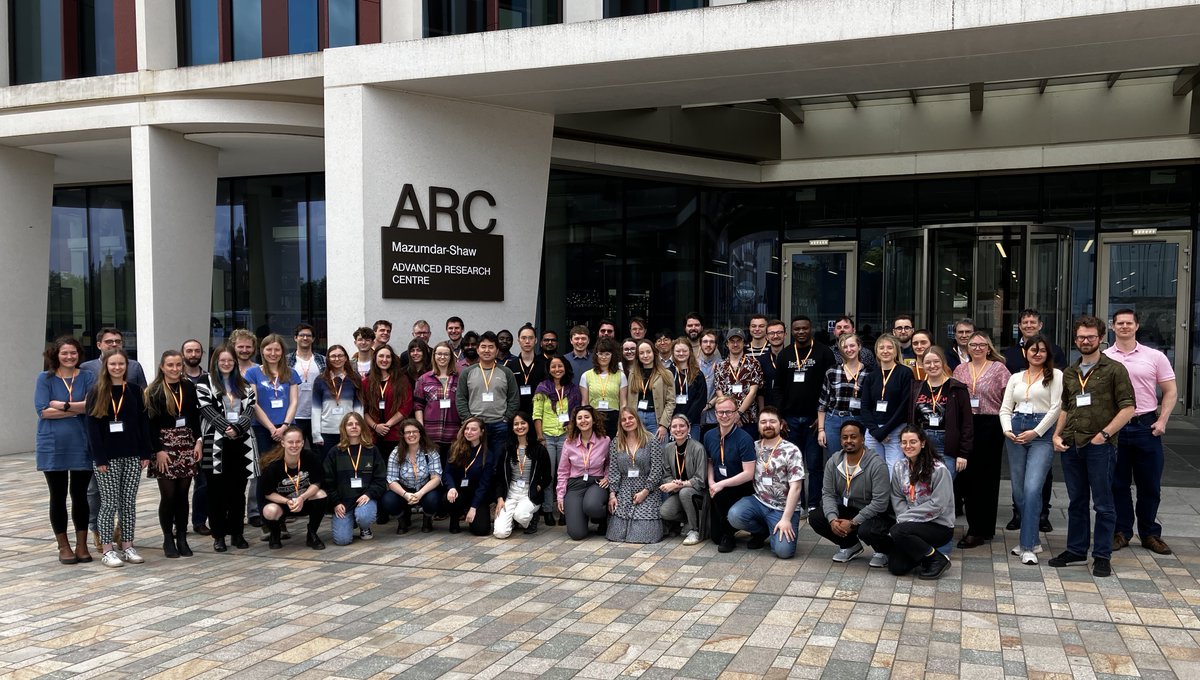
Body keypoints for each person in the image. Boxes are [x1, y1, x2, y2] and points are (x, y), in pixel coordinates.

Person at [1050, 315, 1136, 578]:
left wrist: (1105, 434)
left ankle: (1101, 555)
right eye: (1080, 337)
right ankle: (1076, 550)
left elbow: (1129, 407)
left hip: (1100, 445)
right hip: (1072, 444)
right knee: (1076, 501)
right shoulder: (1070, 371)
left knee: (1103, 503)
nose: (1085, 341)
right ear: (1075, 340)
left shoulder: (1114, 369)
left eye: (1090, 337)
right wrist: (1057, 435)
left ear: (1100, 338)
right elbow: (1067, 406)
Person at [1104, 309, 1177, 555]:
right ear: (1113, 327)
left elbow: (1170, 391)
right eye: (1119, 323)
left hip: (1147, 427)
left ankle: (1150, 534)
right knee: (1117, 484)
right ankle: (1122, 531)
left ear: (1136, 326)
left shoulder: (1154, 357)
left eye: (1129, 323)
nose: (1124, 326)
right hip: (1116, 428)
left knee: (1150, 485)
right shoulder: (1103, 358)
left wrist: (1163, 420)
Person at [79, 327, 147, 550]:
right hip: (107, 457)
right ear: (105, 367)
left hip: (132, 455)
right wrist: (99, 458)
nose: (117, 367)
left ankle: (128, 545)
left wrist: (146, 452)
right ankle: (107, 548)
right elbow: (93, 428)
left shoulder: (135, 391)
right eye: (113, 364)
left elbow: (143, 423)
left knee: (128, 503)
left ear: (127, 367)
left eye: (121, 364)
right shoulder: (97, 391)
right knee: (108, 504)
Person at [999, 335, 1062, 564]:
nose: (1037, 354)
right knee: (1019, 492)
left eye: (1042, 350)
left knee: (1033, 487)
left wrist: (1036, 432)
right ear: (1025, 352)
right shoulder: (1016, 377)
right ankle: (1033, 539)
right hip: (1015, 430)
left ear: (1048, 354)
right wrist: (1007, 429)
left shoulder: (1055, 376)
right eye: (1033, 350)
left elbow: (1056, 408)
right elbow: (1006, 408)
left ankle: (1027, 547)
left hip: (1041, 433)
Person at [1002, 308, 1067, 532]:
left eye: (1033, 322)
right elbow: (1007, 399)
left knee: (1040, 474)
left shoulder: (1054, 351)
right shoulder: (1010, 354)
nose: (1029, 325)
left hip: (1042, 424)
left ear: (1040, 325)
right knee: (1018, 476)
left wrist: (1039, 431)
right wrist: (1007, 426)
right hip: (1018, 420)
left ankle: (1042, 514)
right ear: (1020, 326)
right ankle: (1019, 513)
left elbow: (1058, 399)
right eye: (1025, 322)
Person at [36, 336, 97, 564]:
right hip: (52, 446)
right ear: (56, 355)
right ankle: (64, 546)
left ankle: (82, 545)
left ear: (78, 354)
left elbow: (92, 406)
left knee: (80, 495)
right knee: (58, 495)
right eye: (65, 353)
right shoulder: (45, 379)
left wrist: (62, 405)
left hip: (82, 444)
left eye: (73, 353)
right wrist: (77, 409)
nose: (70, 357)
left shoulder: (88, 376)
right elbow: (43, 411)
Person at [951, 331, 1011, 549]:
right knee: (968, 478)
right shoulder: (960, 370)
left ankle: (984, 529)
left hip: (991, 425)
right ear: (967, 348)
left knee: (988, 478)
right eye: (973, 344)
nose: (977, 348)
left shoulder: (999, 369)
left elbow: (1008, 399)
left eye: (981, 344)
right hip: (967, 424)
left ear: (988, 347)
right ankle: (976, 527)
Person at [196, 344, 257, 552]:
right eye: (222, 360)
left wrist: (238, 428)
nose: (226, 364)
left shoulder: (245, 384)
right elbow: (206, 409)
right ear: (215, 361)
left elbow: (250, 409)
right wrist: (226, 427)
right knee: (216, 493)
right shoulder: (205, 383)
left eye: (230, 360)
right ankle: (219, 535)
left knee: (238, 493)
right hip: (215, 445)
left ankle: (237, 534)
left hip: (241, 445)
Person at [809, 420, 894, 564]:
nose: (849, 441)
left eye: (853, 437)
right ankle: (850, 546)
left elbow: (880, 503)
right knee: (816, 517)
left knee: (866, 530)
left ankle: (884, 550)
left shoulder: (877, 465)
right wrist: (833, 519)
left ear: (862, 439)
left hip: (878, 514)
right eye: (845, 437)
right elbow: (828, 494)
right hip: (852, 509)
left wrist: (853, 523)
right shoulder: (834, 461)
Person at [146, 350, 204, 558]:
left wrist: (198, 441)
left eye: (178, 365)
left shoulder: (188, 386)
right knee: (169, 496)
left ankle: (182, 536)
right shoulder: (153, 391)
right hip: (165, 446)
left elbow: (194, 417)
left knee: (183, 494)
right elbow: (150, 425)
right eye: (170, 365)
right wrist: (158, 450)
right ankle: (167, 538)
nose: (175, 369)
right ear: (162, 367)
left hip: (187, 444)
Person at [776, 316, 836, 512]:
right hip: (790, 419)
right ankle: (798, 503)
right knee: (794, 465)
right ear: (791, 331)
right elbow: (778, 389)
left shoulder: (823, 352)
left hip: (813, 419)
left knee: (815, 465)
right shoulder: (785, 355)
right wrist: (781, 417)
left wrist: (821, 418)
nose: (801, 332)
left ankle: (813, 504)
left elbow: (831, 386)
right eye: (797, 329)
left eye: (804, 328)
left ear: (811, 329)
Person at [727, 408, 805, 558]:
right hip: (759, 502)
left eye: (772, 421)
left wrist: (786, 519)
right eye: (763, 422)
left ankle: (775, 527)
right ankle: (762, 530)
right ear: (758, 426)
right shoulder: (753, 447)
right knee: (734, 515)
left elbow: (796, 488)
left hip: (783, 508)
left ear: (781, 425)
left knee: (784, 552)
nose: (768, 425)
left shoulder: (791, 450)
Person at [245, 334, 301, 530]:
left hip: (287, 429)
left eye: (277, 350)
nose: (273, 353)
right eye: (269, 349)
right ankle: (265, 520)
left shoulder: (291, 373)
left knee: (283, 473)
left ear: (282, 352)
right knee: (264, 474)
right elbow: (254, 403)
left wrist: (284, 426)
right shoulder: (253, 373)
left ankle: (281, 518)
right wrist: (271, 427)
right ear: (262, 351)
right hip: (262, 429)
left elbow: (294, 401)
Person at [910, 347, 973, 513]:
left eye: (936, 361)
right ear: (922, 365)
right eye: (928, 362)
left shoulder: (957, 388)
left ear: (943, 363)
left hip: (948, 444)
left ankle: (942, 532)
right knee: (923, 489)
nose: (932, 365)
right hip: (923, 443)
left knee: (941, 491)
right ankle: (925, 529)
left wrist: (963, 453)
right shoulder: (917, 387)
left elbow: (967, 423)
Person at [888, 427, 954, 579]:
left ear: (922, 443)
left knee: (898, 531)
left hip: (938, 525)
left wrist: (905, 520)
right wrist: (904, 518)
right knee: (897, 567)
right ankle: (924, 556)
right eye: (904, 442)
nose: (908, 446)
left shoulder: (938, 469)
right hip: (909, 524)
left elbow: (938, 504)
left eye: (913, 442)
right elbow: (897, 497)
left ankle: (937, 559)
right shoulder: (899, 467)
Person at [456, 332, 520, 468]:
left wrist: (506, 418)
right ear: (478, 349)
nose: (487, 350)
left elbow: (514, 398)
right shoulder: (467, 372)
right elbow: (461, 398)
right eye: (483, 347)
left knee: (497, 465)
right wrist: (469, 419)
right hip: (475, 428)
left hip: (499, 426)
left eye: (491, 347)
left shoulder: (506, 372)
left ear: (497, 350)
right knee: (475, 464)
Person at [258, 427, 328, 550]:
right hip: (282, 503)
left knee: (321, 494)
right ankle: (275, 533)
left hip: (303, 500)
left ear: (302, 443)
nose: (294, 445)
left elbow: (317, 483)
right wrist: (287, 501)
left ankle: (312, 533)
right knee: (270, 511)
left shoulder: (310, 457)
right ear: (283, 443)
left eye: (298, 442)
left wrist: (302, 497)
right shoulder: (272, 465)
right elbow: (268, 493)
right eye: (290, 442)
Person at [603, 408, 666, 543]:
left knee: (643, 534)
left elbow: (656, 469)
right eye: (624, 419)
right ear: (620, 423)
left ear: (637, 419)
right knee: (616, 535)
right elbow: (613, 470)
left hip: (648, 489)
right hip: (625, 488)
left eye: (630, 418)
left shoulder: (651, 440)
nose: (628, 422)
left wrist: (645, 491)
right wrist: (612, 494)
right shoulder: (616, 442)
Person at [703, 396, 757, 552]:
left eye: (728, 412)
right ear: (715, 414)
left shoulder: (744, 438)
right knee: (715, 538)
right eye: (720, 412)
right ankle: (727, 530)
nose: (724, 416)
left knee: (722, 495)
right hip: (719, 484)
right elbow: (710, 462)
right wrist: (712, 482)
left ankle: (730, 534)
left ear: (735, 414)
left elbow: (749, 473)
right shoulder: (709, 436)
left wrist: (721, 484)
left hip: (741, 486)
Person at [324, 412, 387, 545]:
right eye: (350, 424)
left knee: (364, 516)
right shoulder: (335, 452)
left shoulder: (372, 450)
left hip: (364, 500)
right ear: (344, 428)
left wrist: (369, 494)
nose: (354, 427)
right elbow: (328, 481)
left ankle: (365, 527)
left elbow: (380, 479)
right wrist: (335, 502)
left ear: (362, 427)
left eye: (357, 424)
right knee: (342, 541)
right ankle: (350, 520)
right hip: (343, 502)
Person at [532, 355, 581, 527]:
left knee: (565, 475)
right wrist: (539, 436)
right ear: (549, 369)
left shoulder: (573, 389)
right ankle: (547, 510)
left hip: (566, 436)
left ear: (566, 368)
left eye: (560, 366)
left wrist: (572, 432)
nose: (557, 369)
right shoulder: (542, 388)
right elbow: (537, 414)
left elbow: (576, 414)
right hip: (546, 436)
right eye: (553, 367)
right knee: (549, 475)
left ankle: (564, 510)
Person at [858, 334, 913, 472]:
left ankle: (893, 495)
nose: (885, 351)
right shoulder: (871, 376)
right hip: (873, 431)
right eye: (881, 348)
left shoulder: (905, 373)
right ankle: (878, 495)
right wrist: (875, 431)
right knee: (873, 470)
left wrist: (885, 430)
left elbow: (904, 406)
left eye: (890, 347)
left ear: (896, 351)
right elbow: (864, 406)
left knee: (894, 470)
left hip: (896, 429)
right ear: (876, 351)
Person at [556, 405, 611, 540]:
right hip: (575, 485)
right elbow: (563, 471)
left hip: (597, 483)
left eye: (587, 417)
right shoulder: (569, 443)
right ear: (575, 422)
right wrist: (560, 495)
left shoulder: (605, 440)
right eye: (579, 418)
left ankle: (606, 517)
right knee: (577, 534)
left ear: (593, 420)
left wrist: (607, 476)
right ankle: (581, 516)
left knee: (592, 506)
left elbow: (610, 463)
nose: (583, 420)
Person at [493, 412, 552, 538]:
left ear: (529, 425)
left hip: (529, 491)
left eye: (523, 423)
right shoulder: (506, 449)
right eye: (516, 424)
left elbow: (548, 476)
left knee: (521, 515)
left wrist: (540, 486)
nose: (520, 426)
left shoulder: (539, 449)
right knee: (500, 533)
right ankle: (513, 520)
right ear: (512, 427)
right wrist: (499, 498)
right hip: (511, 491)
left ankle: (529, 517)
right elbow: (499, 477)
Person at [381, 419, 445, 533]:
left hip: (424, 489)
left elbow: (436, 478)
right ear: (403, 435)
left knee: (433, 499)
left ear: (420, 433)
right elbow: (391, 480)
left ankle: (427, 519)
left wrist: (420, 493)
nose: (411, 435)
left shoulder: (431, 451)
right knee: (388, 500)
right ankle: (402, 519)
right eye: (407, 432)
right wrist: (405, 495)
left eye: (415, 431)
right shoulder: (396, 453)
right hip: (404, 490)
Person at [817, 333, 870, 460]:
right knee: (835, 460)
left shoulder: (869, 373)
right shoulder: (832, 371)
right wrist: (821, 429)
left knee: (857, 459)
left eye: (852, 345)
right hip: (834, 420)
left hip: (858, 419)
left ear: (859, 347)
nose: (849, 349)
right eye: (845, 347)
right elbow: (823, 403)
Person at [443, 417, 498, 536]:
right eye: (466, 429)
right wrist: (451, 487)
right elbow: (447, 472)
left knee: (481, 530)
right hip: (459, 492)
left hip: (477, 494)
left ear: (481, 432)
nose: (469, 432)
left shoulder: (487, 454)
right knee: (448, 498)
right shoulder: (455, 448)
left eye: (473, 429)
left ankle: (471, 512)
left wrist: (473, 508)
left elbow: (484, 484)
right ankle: (455, 517)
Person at [658, 414, 708, 545]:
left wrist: (680, 485)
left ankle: (694, 530)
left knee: (684, 492)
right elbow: (666, 474)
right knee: (665, 512)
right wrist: (672, 483)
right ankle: (689, 520)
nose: (678, 429)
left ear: (689, 428)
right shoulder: (668, 448)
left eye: (682, 426)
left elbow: (700, 479)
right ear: (670, 429)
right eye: (674, 426)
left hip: (697, 492)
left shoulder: (698, 448)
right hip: (678, 491)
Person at [311, 345, 363, 457]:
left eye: (340, 355)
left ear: (345, 358)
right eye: (333, 356)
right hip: (326, 432)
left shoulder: (355, 379)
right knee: (327, 465)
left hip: (348, 431)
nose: (337, 359)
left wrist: (359, 430)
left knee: (347, 464)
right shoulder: (320, 380)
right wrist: (316, 433)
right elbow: (316, 409)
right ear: (328, 359)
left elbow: (358, 407)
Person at [414, 341, 461, 467]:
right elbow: (418, 406)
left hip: (453, 434)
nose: (442, 357)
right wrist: (421, 428)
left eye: (446, 354)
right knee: (432, 469)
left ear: (451, 357)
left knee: (450, 469)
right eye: (439, 354)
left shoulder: (459, 378)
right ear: (434, 356)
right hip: (431, 434)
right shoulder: (424, 379)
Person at [364, 344, 413, 460]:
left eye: (388, 357)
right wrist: (376, 426)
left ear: (393, 359)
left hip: (395, 433)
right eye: (381, 356)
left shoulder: (401, 380)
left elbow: (407, 406)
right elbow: (363, 408)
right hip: (373, 434)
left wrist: (387, 425)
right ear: (375, 358)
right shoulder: (366, 382)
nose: (384, 360)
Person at [711, 328, 763, 437]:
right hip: (726, 419)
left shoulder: (753, 364)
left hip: (748, 418)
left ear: (744, 343)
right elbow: (719, 393)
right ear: (727, 344)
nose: (735, 344)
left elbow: (753, 393)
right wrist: (731, 415)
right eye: (732, 341)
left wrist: (738, 414)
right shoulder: (720, 366)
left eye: (738, 341)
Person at [628, 339, 676, 441]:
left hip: (656, 419)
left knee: (659, 453)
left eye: (648, 352)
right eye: (641, 353)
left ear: (654, 353)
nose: (645, 356)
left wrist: (664, 425)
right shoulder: (632, 374)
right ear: (637, 356)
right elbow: (629, 400)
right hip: (637, 418)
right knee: (640, 453)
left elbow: (671, 402)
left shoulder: (666, 374)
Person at [287, 323, 326, 446]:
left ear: (313, 339)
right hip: (294, 415)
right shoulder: (286, 360)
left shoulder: (322, 360)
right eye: (301, 335)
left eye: (308, 335)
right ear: (295, 338)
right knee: (295, 449)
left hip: (317, 414)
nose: (305, 338)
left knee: (318, 451)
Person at [580, 337, 627, 436]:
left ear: (612, 355)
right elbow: (585, 402)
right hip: (594, 417)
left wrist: (620, 425)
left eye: (607, 354)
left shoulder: (621, 375)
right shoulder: (586, 376)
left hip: (614, 417)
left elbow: (623, 403)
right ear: (596, 355)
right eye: (600, 354)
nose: (603, 357)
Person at [669, 338, 709, 442]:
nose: (681, 353)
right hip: (672, 423)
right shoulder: (668, 373)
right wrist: (674, 420)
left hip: (692, 423)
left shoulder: (698, 374)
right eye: (678, 351)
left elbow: (701, 400)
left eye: (684, 351)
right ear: (673, 352)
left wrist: (686, 420)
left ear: (690, 352)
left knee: (691, 453)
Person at [80, 327, 148, 387]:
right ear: (99, 345)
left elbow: (143, 393)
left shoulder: (134, 366)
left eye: (118, 341)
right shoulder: (86, 368)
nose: (114, 344)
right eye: (109, 342)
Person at [505, 324, 547, 416]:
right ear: (518, 341)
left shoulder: (545, 364)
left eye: (530, 338)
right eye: (523, 338)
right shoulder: (510, 365)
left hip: (540, 413)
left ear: (535, 340)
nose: (527, 341)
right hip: (516, 414)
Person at [756, 320, 788, 411]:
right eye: (771, 333)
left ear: (785, 334)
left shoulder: (792, 358)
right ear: (766, 337)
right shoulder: (760, 361)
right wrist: (762, 411)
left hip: (789, 411)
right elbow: (760, 390)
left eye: (779, 332)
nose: (775, 336)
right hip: (767, 409)